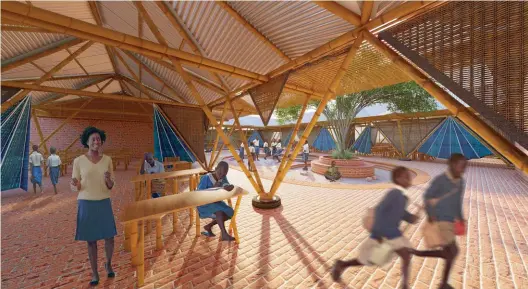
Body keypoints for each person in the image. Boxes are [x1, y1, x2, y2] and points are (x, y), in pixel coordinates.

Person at [332, 166, 418, 289]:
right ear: (398, 179)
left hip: (389, 234)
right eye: (406, 177)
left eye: (409, 177)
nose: (409, 179)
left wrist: (412, 218)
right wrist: (379, 235)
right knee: (404, 255)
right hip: (385, 234)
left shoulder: (402, 197)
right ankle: (404, 286)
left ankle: (342, 264)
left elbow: (402, 213)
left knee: (370, 260)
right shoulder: (394, 194)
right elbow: (379, 211)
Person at [411, 153, 467, 289]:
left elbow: (457, 202)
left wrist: (460, 217)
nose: (462, 168)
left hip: (450, 220)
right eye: (460, 165)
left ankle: (416, 253)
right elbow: (427, 196)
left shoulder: (461, 182)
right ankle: (443, 284)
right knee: (453, 251)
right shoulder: (440, 180)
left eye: (464, 166)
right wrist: (431, 215)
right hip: (440, 219)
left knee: (450, 252)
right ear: (452, 165)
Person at [71, 127, 116, 286]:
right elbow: (75, 185)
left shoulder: (108, 160)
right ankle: (95, 273)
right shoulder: (78, 161)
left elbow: (111, 185)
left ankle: (108, 264)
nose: (97, 142)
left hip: (103, 201)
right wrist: (75, 184)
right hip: (87, 203)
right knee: (91, 241)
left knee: (109, 237)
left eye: (99, 139)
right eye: (93, 139)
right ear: (87, 142)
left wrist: (108, 179)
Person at [197, 161, 236, 242]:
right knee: (219, 212)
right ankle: (224, 234)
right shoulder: (206, 178)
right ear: (215, 169)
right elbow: (199, 194)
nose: (221, 175)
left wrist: (228, 187)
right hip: (204, 204)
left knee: (230, 212)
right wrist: (213, 188)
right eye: (220, 172)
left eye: (224, 174)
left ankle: (208, 226)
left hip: (216, 203)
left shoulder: (223, 178)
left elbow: (225, 184)